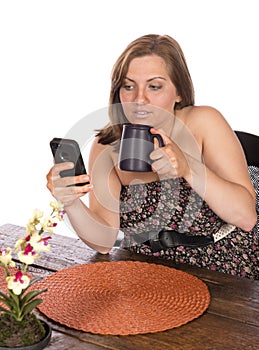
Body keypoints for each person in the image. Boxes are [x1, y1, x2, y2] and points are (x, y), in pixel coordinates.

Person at [46, 34, 258, 279]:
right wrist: (69, 201)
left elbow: (245, 217)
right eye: (128, 86)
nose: (139, 99)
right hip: (143, 269)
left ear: (178, 92)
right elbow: (103, 241)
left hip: (221, 267)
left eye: (154, 86)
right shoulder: (107, 145)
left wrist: (188, 167)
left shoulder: (203, 122)